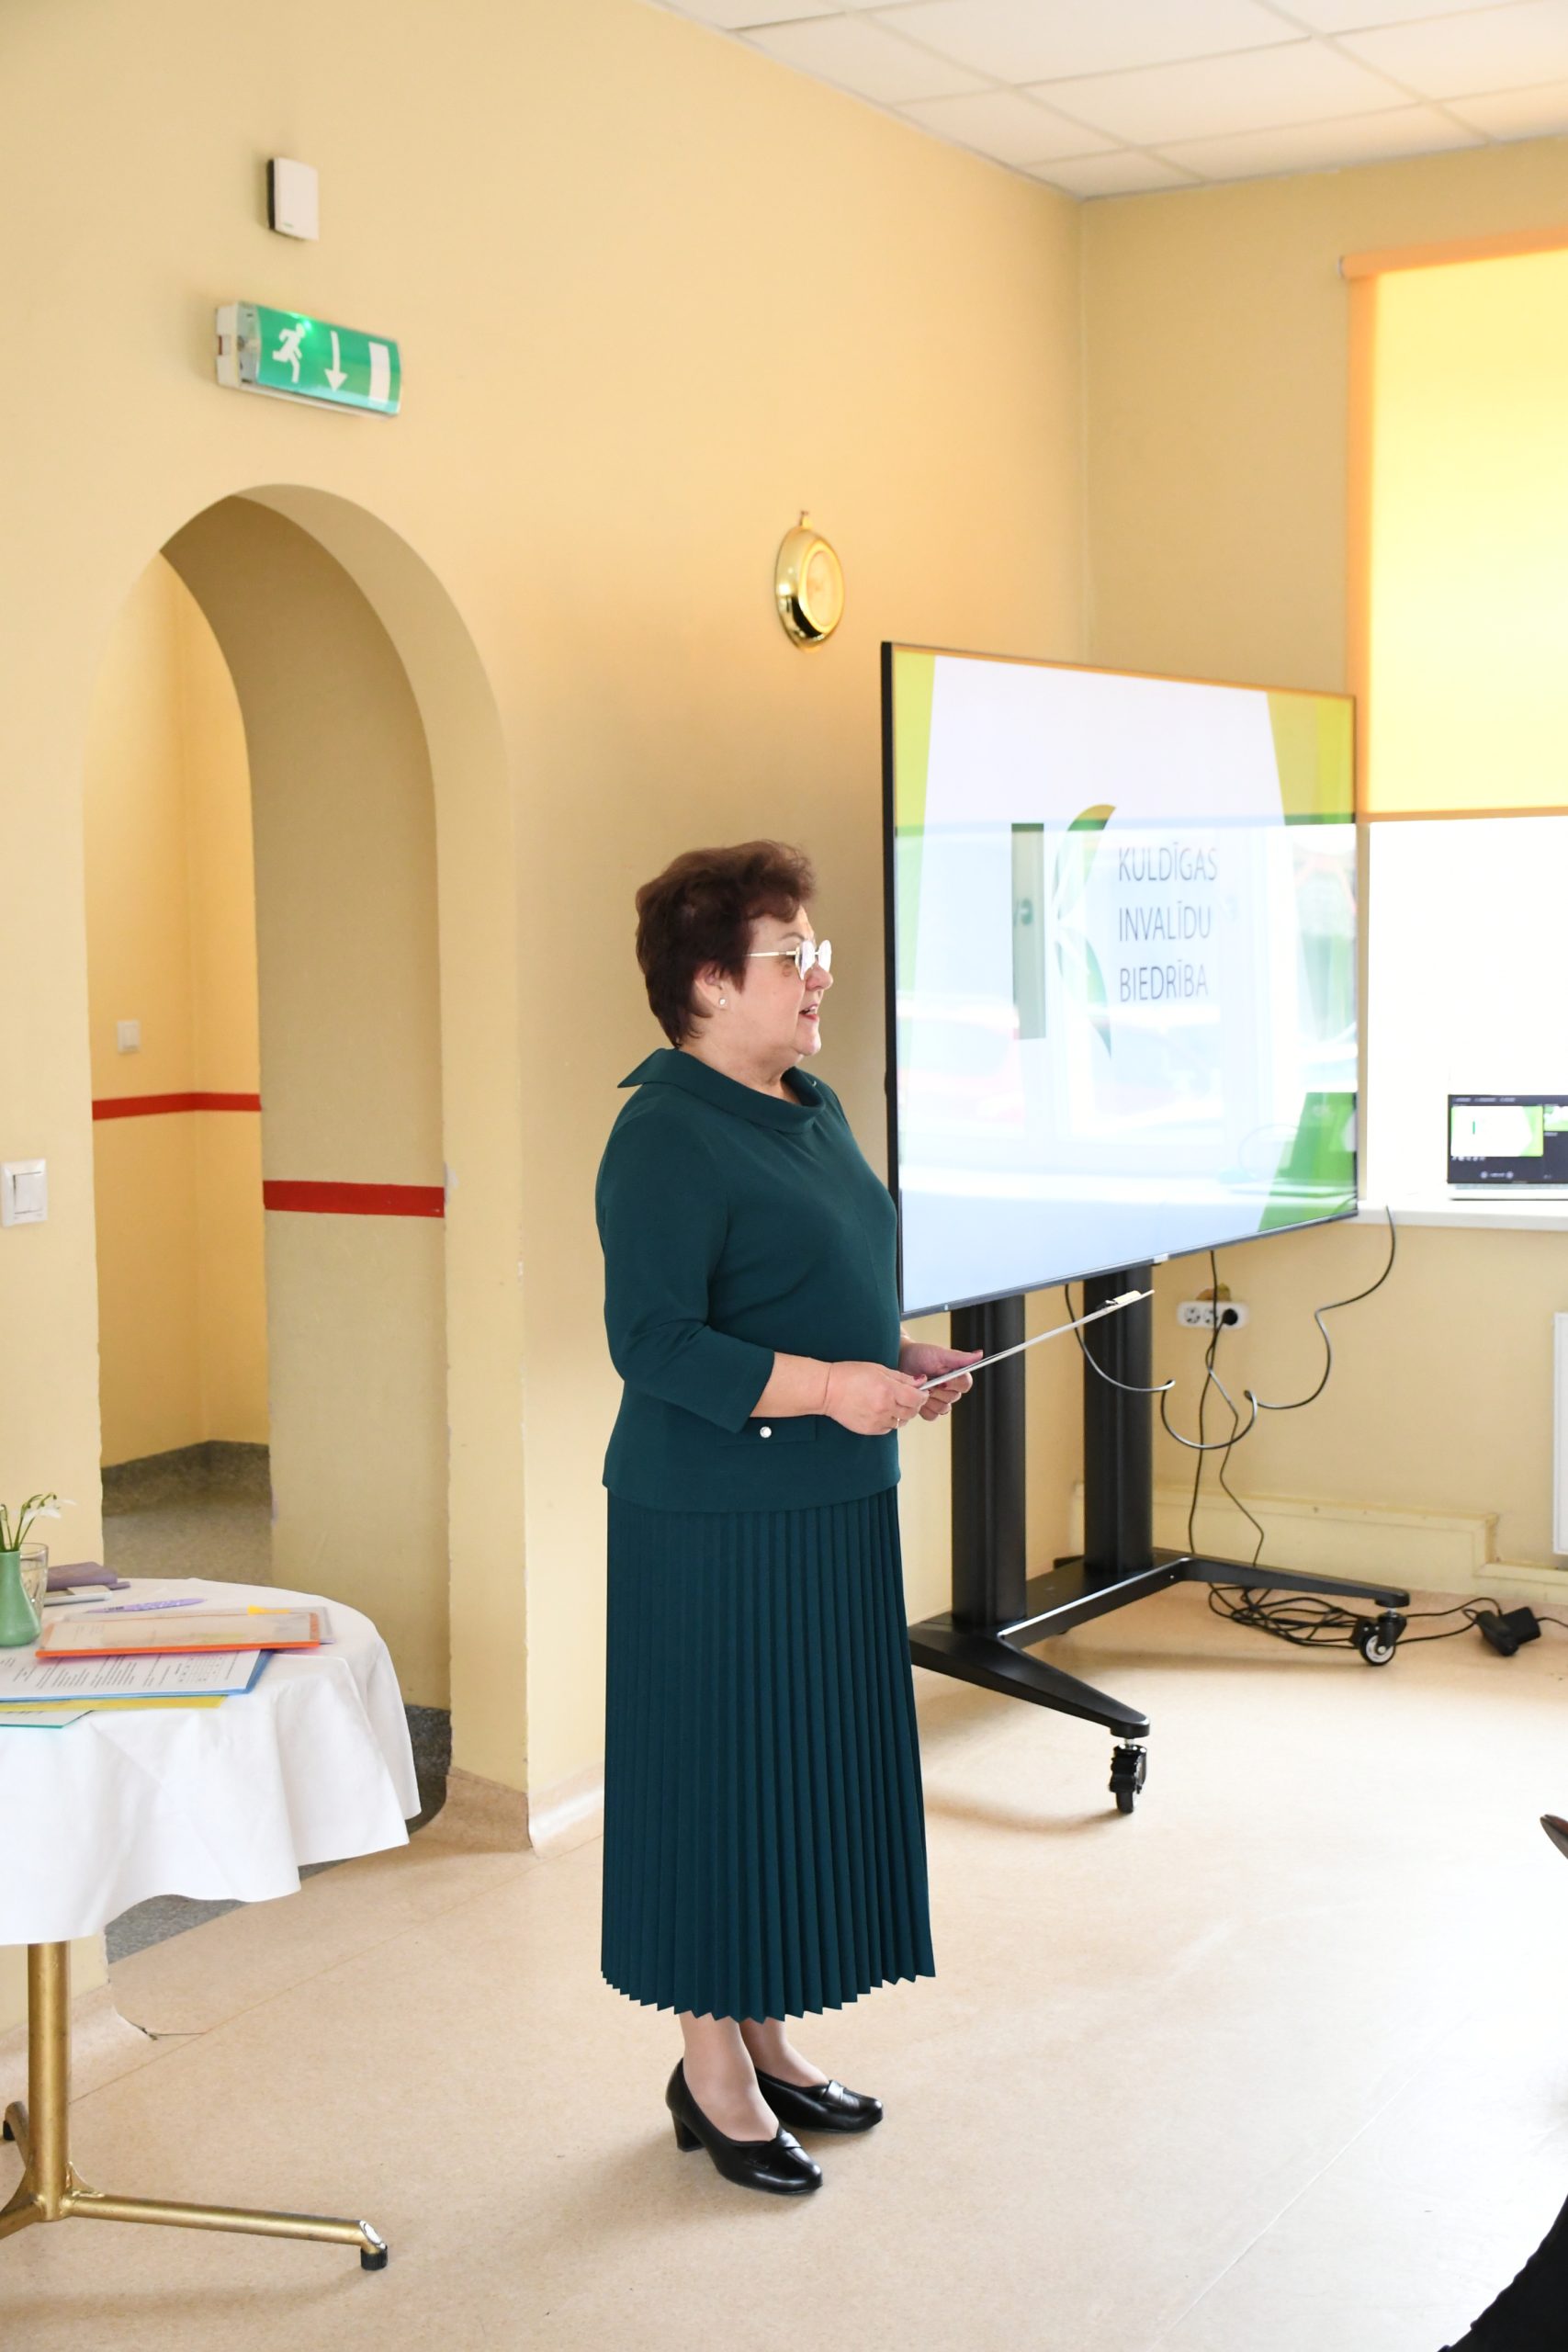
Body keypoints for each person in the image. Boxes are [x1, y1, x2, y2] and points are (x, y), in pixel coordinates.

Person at [594, 840, 979, 2198]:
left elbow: (816, 1282)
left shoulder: (808, 1106)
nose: (820, 975)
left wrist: (898, 1360)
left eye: (818, 951)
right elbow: (653, 1342)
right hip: (711, 1524)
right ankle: (710, 2071)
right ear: (708, 982)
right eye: (791, 956)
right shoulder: (663, 1131)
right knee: (717, 1787)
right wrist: (830, 1389)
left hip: (829, 1506)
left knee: (793, 1781)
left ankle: (764, 2038)